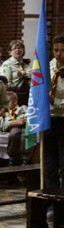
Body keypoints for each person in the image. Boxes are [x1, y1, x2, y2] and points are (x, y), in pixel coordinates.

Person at [44, 34, 64, 190]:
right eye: (56, 50)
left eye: (62, 50)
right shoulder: (47, 67)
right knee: (49, 164)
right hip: (49, 119)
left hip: (63, 119)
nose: (59, 54)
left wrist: (55, 102)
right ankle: (52, 200)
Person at [0, 91, 29, 166]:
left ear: (15, 101)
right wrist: (20, 121)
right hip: (12, 130)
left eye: (7, 102)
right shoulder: (2, 112)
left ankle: (24, 159)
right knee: (14, 133)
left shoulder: (24, 108)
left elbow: (30, 118)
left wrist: (16, 121)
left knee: (25, 135)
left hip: (25, 128)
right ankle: (12, 157)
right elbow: (2, 125)